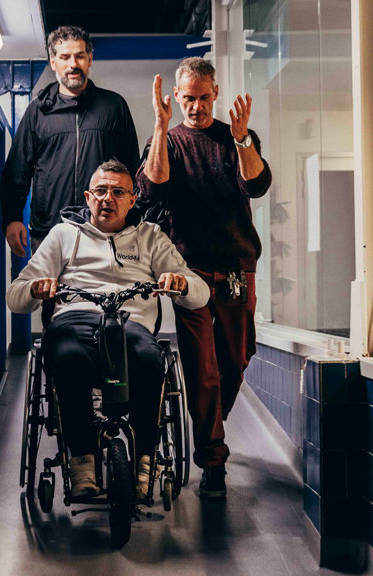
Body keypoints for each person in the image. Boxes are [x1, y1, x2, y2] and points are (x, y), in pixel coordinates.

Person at [6, 160, 209, 499]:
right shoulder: (63, 235)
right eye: (100, 191)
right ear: (88, 197)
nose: (107, 198)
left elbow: (200, 293)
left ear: (132, 200)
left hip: (132, 321)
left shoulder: (151, 236)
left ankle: (146, 459)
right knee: (67, 357)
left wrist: (181, 283)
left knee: (149, 359)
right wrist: (35, 289)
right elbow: (15, 296)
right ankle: (81, 459)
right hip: (75, 318)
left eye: (117, 192)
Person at [136, 57, 272, 499]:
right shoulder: (167, 140)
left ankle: (211, 415)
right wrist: (161, 126)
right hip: (188, 270)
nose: (196, 106)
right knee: (203, 369)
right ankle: (212, 460)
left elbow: (256, 185)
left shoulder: (237, 138)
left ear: (215, 94)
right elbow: (152, 189)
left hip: (236, 266)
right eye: (188, 99)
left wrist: (242, 138)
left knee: (236, 359)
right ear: (177, 97)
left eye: (203, 98)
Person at [0, 25, 140, 257]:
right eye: (65, 57)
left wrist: (132, 222)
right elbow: (17, 171)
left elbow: (132, 169)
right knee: (47, 283)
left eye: (79, 56)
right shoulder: (38, 112)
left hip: (103, 233)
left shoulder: (113, 107)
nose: (73, 64)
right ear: (53, 62)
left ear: (90, 59)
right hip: (49, 233)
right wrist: (12, 218)